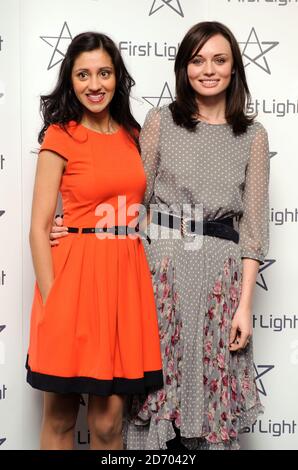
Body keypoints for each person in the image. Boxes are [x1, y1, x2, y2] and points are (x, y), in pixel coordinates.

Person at [51, 21, 270, 450]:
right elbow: (133, 198)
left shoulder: (253, 136)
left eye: (219, 60)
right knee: (151, 395)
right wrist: (75, 226)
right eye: (197, 60)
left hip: (218, 283)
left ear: (234, 68)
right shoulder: (160, 121)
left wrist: (245, 305)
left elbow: (254, 229)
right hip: (159, 276)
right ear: (184, 68)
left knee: (210, 395)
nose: (208, 70)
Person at [26, 31, 163, 451]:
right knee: (61, 420)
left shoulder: (133, 135)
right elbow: (38, 227)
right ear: (71, 79)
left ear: (116, 77)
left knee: (107, 425)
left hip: (122, 287)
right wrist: (55, 301)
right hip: (72, 283)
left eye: (104, 72)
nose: (94, 84)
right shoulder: (60, 135)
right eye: (83, 74)